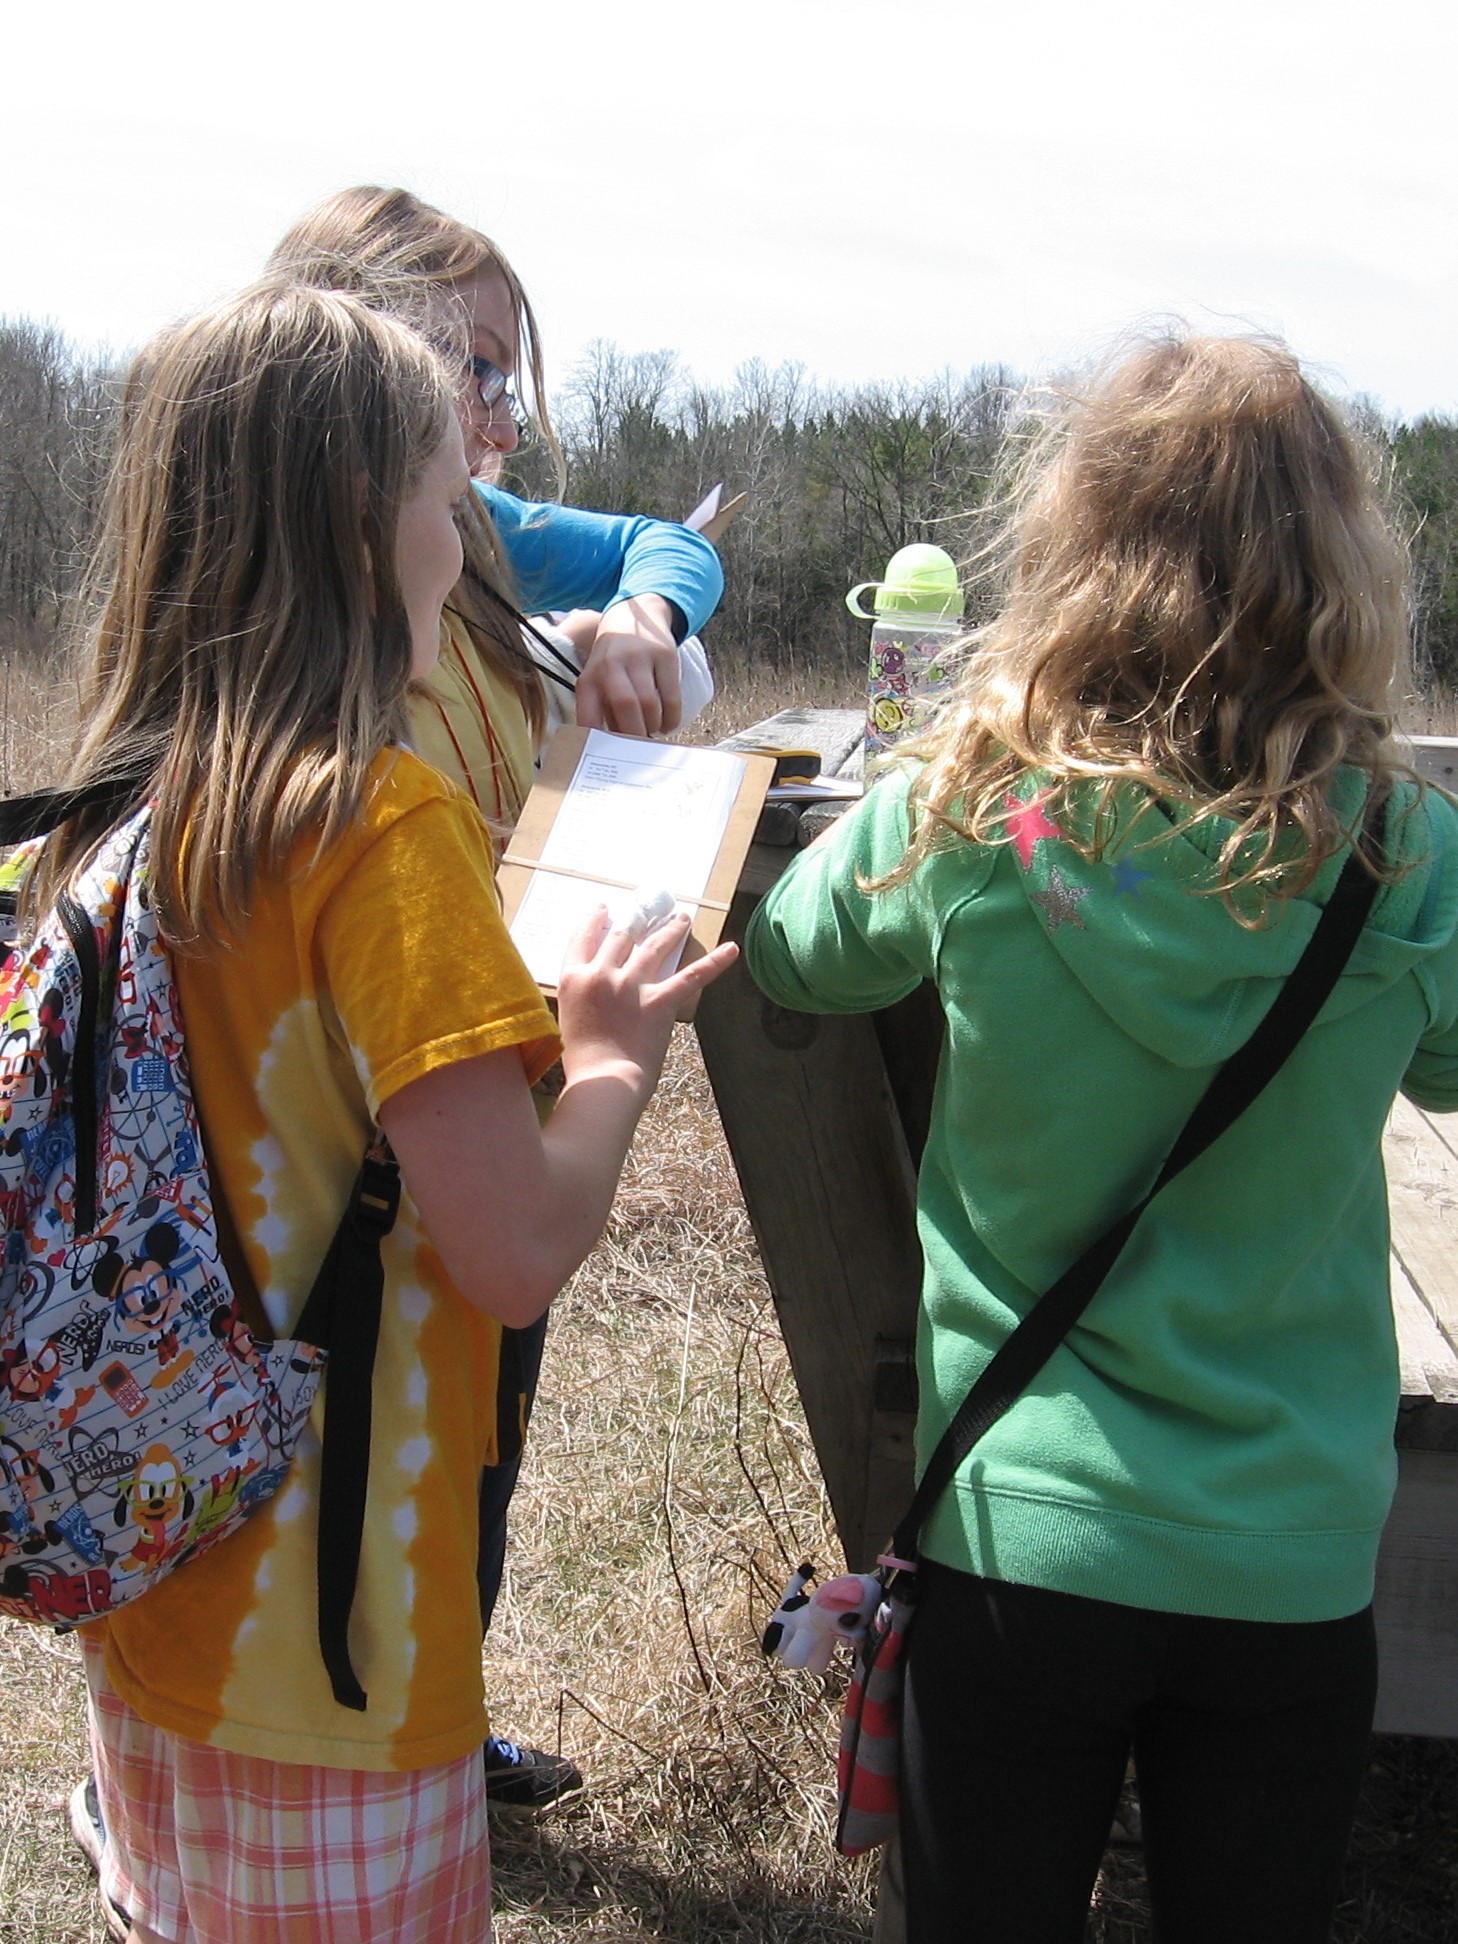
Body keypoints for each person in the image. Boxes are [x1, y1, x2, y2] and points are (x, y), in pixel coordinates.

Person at [40, 281, 733, 1944]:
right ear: (374, 528)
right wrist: (615, 1052)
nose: (470, 537)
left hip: (155, 1573)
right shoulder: (383, 830)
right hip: (334, 1636)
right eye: (448, 497)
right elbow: (510, 1250)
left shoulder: (135, 810)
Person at [745, 334, 1458, 1944]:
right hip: (1288, 1556)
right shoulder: (1407, 848)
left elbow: (793, 948)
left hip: (1018, 1529)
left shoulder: (977, 804)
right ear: (1338, 563)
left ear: (1077, 549)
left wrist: (938, 754)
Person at [265, 185, 725, 1802]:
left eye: (511, 376)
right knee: (327, 1481)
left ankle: (434, 1722)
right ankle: (354, 1751)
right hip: (362, 1167)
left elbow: (670, 542)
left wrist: (642, 620)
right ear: (354, 361)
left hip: (478, 1109)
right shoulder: (321, 629)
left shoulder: (475, 538)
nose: (501, 416)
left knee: (470, 1452)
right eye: (471, 368)